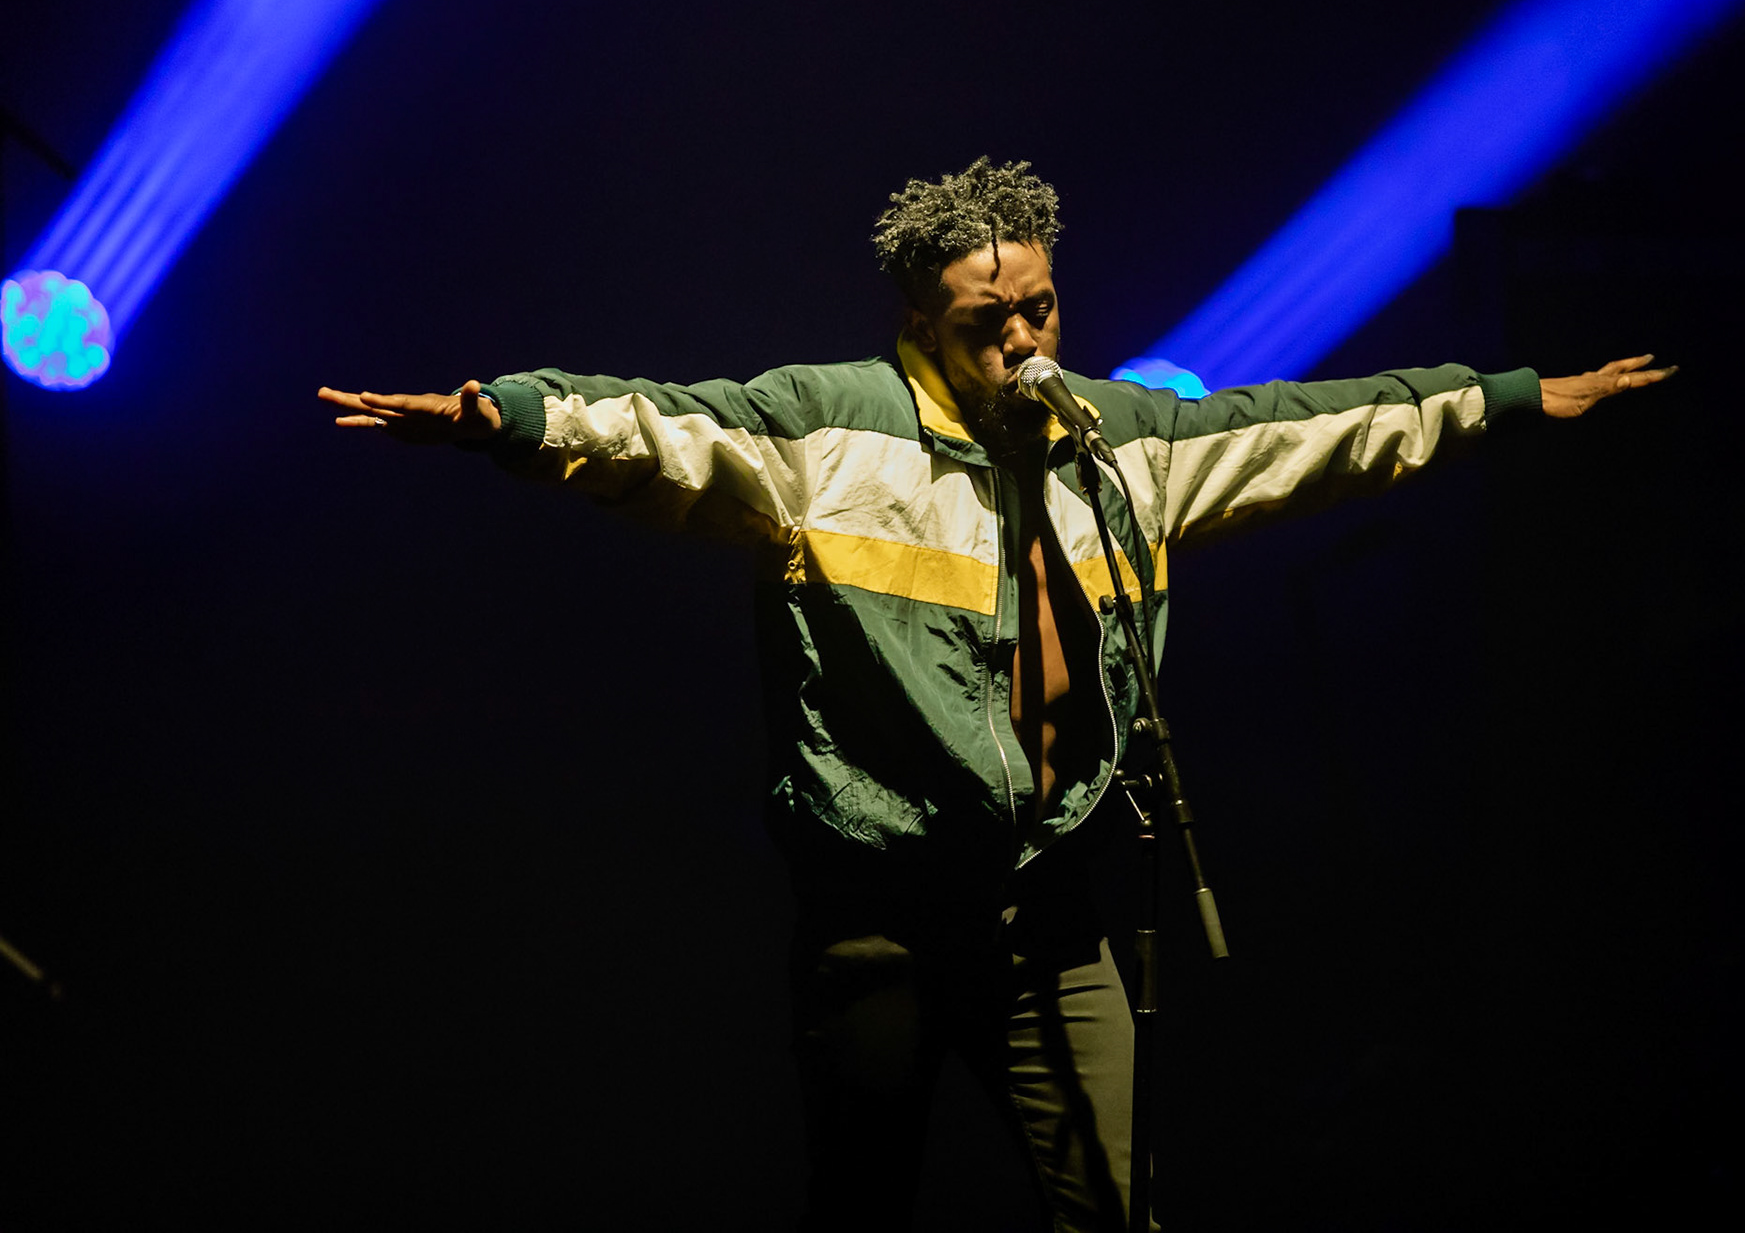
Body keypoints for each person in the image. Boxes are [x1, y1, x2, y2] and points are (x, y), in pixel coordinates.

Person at [319, 157, 1671, 1231]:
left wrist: (1500, 398)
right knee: (861, 1200)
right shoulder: (832, 426)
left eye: (1042, 310)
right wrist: (510, 415)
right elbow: (667, 429)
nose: (1024, 339)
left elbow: (1309, 431)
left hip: (1059, 898)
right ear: (923, 324)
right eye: (988, 322)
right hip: (882, 908)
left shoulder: (1115, 440)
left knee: (1114, 1203)